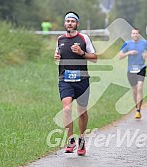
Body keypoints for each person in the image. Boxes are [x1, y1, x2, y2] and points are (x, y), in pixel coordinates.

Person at [54, 11, 97, 155]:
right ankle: (70, 139)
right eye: (67, 21)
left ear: (77, 23)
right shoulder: (60, 39)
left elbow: (95, 57)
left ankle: (82, 139)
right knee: (66, 109)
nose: (70, 23)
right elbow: (57, 57)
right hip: (65, 79)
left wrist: (82, 53)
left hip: (82, 80)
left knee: (82, 112)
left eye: (72, 21)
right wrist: (56, 57)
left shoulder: (84, 38)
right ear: (64, 23)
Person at [119, 28, 147, 119]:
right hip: (131, 69)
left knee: (140, 87)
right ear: (131, 35)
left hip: (141, 67)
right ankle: (137, 106)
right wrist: (129, 52)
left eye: (137, 33)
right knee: (134, 90)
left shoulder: (144, 43)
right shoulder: (127, 44)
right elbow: (120, 56)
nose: (135, 35)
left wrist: (146, 54)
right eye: (133, 33)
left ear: (139, 35)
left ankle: (138, 110)